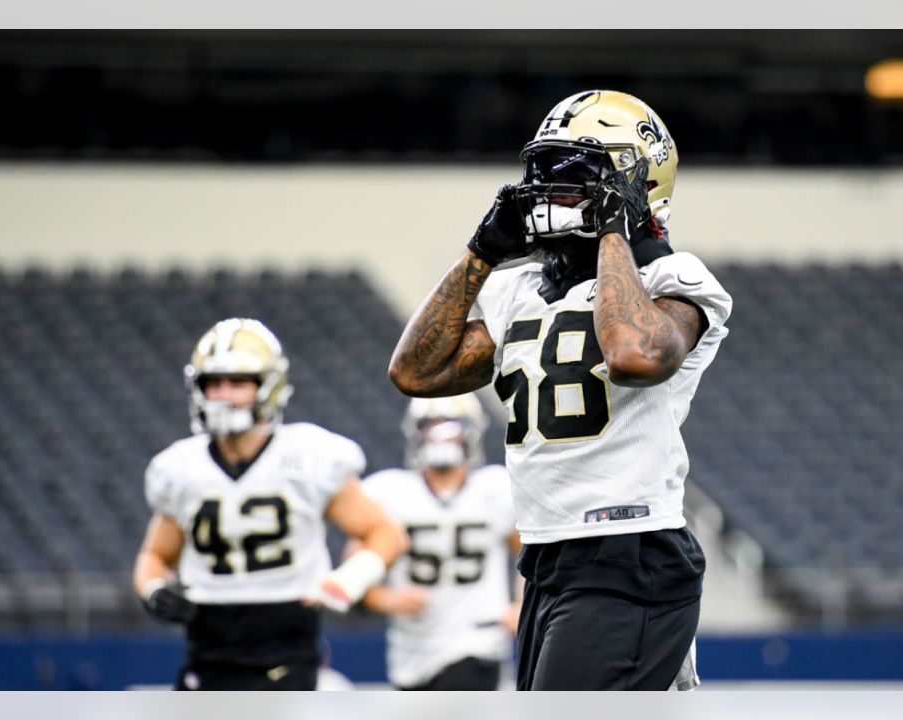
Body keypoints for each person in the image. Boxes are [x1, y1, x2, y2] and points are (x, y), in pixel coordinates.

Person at [388, 90, 732, 690]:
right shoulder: (516, 287)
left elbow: (633, 355)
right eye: (546, 171)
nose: (552, 189)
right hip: (548, 556)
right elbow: (415, 373)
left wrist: (613, 233)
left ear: (637, 182)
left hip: (629, 547)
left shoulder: (672, 278)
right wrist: (481, 252)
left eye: (577, 173)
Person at [133, 317, 408, 690]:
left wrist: (350, 580)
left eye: (238, 382)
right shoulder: (180, 468)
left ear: (269, 386)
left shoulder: (309, 456)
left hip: (286, 645)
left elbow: (385, 534)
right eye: (213, 383)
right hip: (207, 650)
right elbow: (155, 556)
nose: (224, 394)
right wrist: (153, 590)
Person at [348, 393, 522, 690]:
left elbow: (530, 556)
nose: (440, 436)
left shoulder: (495, 488)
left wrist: (522, 605)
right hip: (410, 650)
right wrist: (388, 600)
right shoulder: (389, 492)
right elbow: (354, 574)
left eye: (450, 426)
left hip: (477, 641)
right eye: (431, 426)